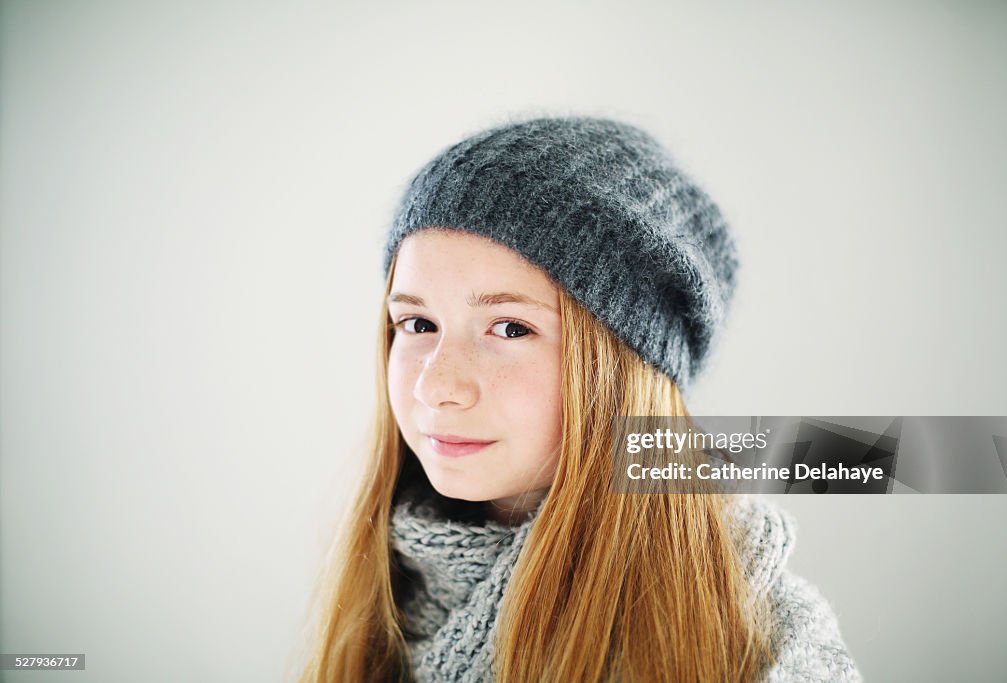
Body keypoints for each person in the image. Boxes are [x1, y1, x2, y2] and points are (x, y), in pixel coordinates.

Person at [298, 117, 861, 682]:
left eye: (511, 328)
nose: (436, 386)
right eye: (418, 323)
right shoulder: (374, 597)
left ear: (624, 371)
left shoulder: (760, 641)